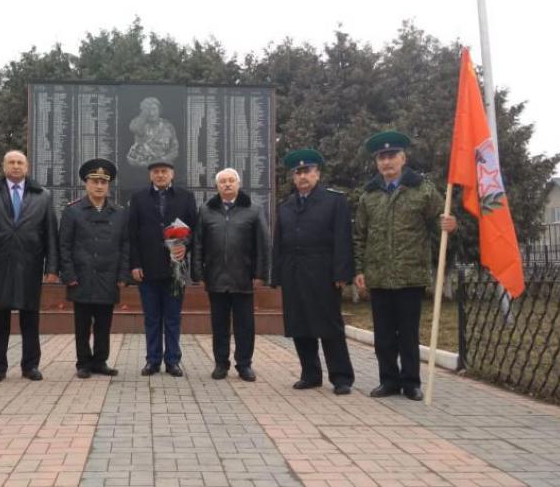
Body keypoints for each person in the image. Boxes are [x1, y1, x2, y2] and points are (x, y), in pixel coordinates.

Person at [353, 131, 457, 401]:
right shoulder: (369, 196)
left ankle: (411, 382)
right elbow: (360, 235)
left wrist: (449, 224)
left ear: (403, 158)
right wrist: (359, 269)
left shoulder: (422, 189)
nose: (386, 162)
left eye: (391, 156)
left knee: (408, 333)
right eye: (381, 158)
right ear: (377, 162)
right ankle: (388, 380)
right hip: (378, 274)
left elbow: (439, 220)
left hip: (410, 275)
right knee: (384, 335)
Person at [0, 150, 59, 383]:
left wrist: (52, 267)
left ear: (27, 168)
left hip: (30, 263)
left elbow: (50, 233)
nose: (16, 166)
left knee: (31, 316)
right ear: (4, 166)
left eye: (20, 163)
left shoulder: (43, 196)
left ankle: (31, 366)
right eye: (12, 162)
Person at [271, 149, 355, 395]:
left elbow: (342, 238)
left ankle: (341, 377)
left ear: (317, 173)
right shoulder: (286, 206)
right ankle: (310, 374)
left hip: (323, 273)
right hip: (294, 272)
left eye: (307, 171)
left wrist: (342, 273)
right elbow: (280, 242)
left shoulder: (334, 201)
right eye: (298, 173)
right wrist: (276, 275)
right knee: (300, 325)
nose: (302, 176)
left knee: (329, 326)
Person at [192, 168, 269, 382]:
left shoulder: (253, 210)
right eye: (223, 181)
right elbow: (198, 243)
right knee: (219, 324)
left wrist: (261, 274)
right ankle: (220, 363)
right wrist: (198, 272)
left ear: (238, 184)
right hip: (215, 277)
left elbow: (263, 244)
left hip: (244, 277)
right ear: (217, 186)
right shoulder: (206, 210)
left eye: (231, 181)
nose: (227, 184)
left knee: (245, 325)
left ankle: (244, 365)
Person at [59, 158, 130, 379]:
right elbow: (65, 246)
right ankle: (83, 363)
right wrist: (68, 275)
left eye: (103, 182)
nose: (99, 186)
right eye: (94, 181)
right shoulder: (73, 212)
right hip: (81, 277)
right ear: (86, 183)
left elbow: (125, 246)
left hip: (107, 277)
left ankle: (100, 361)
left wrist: (122, 275)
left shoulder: (119, 213)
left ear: (108, 185)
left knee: (103, 323)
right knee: (82, 324)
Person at [128, 159, 198, 377]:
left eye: (164, 171)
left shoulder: (186, 197)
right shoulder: (138, 198)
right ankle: (152, 360)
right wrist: (135, 264)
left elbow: (194, 230)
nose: (160, 175)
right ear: (150, 176)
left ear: (172, 174)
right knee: (151, 317)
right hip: (147, 269)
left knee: (173, 317)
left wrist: (184, 247)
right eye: (156, 172)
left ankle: (173, 361)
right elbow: (132, 235)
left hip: (174, 270)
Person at [126, 97, 179, 168]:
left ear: (159, 110)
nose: (151, 113)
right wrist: (143, 114)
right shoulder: (138, 123)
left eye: (154, 109)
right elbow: (135, 129)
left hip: (161, 167)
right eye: (148, 110)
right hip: (141, 166)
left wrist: (163, 160)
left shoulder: (168, 126)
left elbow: (174, 150)